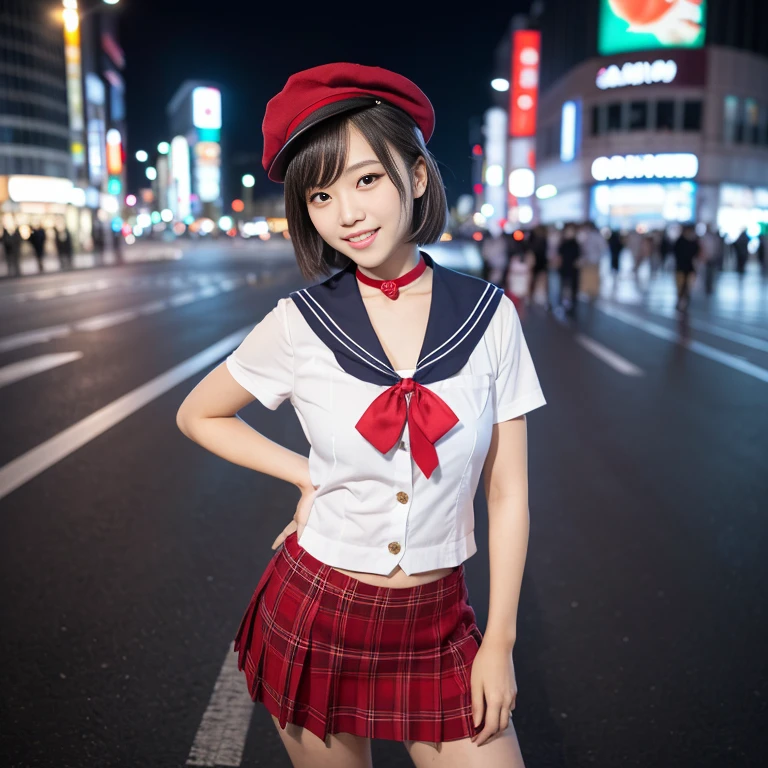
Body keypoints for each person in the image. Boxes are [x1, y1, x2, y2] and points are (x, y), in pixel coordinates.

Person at [176, 63, 546, 766]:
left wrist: (498, 642)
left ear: (415, 176)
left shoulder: (489, 316)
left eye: (366, 179)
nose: (346, 213)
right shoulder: (300, 323)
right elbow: (200, 415)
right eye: (320, 193)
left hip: (439, 625)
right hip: (319, 613)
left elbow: (509, 491)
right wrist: (306, 477)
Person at [673, 224, 700, 311]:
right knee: (681, 287)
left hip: (689, 268)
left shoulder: (693, 242)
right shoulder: (680, 241)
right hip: (681, 268)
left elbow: (697, 253)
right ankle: (680, 301)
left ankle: (685, 302)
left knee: (688, 287)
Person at [579, 222, 608, 302]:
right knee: (588, 279)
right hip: (588, 261)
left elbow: (603, 248)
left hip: (594, 261)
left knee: (593, 279)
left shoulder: (596, 236)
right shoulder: (585, 236)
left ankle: (592, 295)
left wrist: (597, 255)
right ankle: (589, 295)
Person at [557, 223, 582, 315]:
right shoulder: (563, 244)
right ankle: (564, 304)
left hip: (573, 271)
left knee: (572, 289)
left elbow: (579, 258)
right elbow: (559, 257)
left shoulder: (576, 244)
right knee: (564, 288)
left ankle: (571, 306)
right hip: (564, 269)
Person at [526, 224, 550, 309]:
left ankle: (532, 298)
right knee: (540, 282)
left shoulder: (533, 240)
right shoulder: (544, 240)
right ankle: (538, 299)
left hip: (535, 264)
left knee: (532, 281)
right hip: (541, 264)